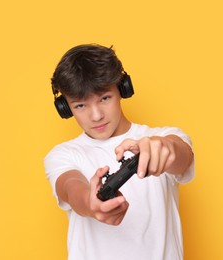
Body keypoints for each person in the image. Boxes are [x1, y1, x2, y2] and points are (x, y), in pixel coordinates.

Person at [44, 44, 195, 260]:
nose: (96, 116)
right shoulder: (63, 154)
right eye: (80, 106)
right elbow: (70, 187)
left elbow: (180, 155)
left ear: (122, 89)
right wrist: (90, 202)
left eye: (104, 98)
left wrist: (164, 148)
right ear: (65, 108)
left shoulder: (165, 136)